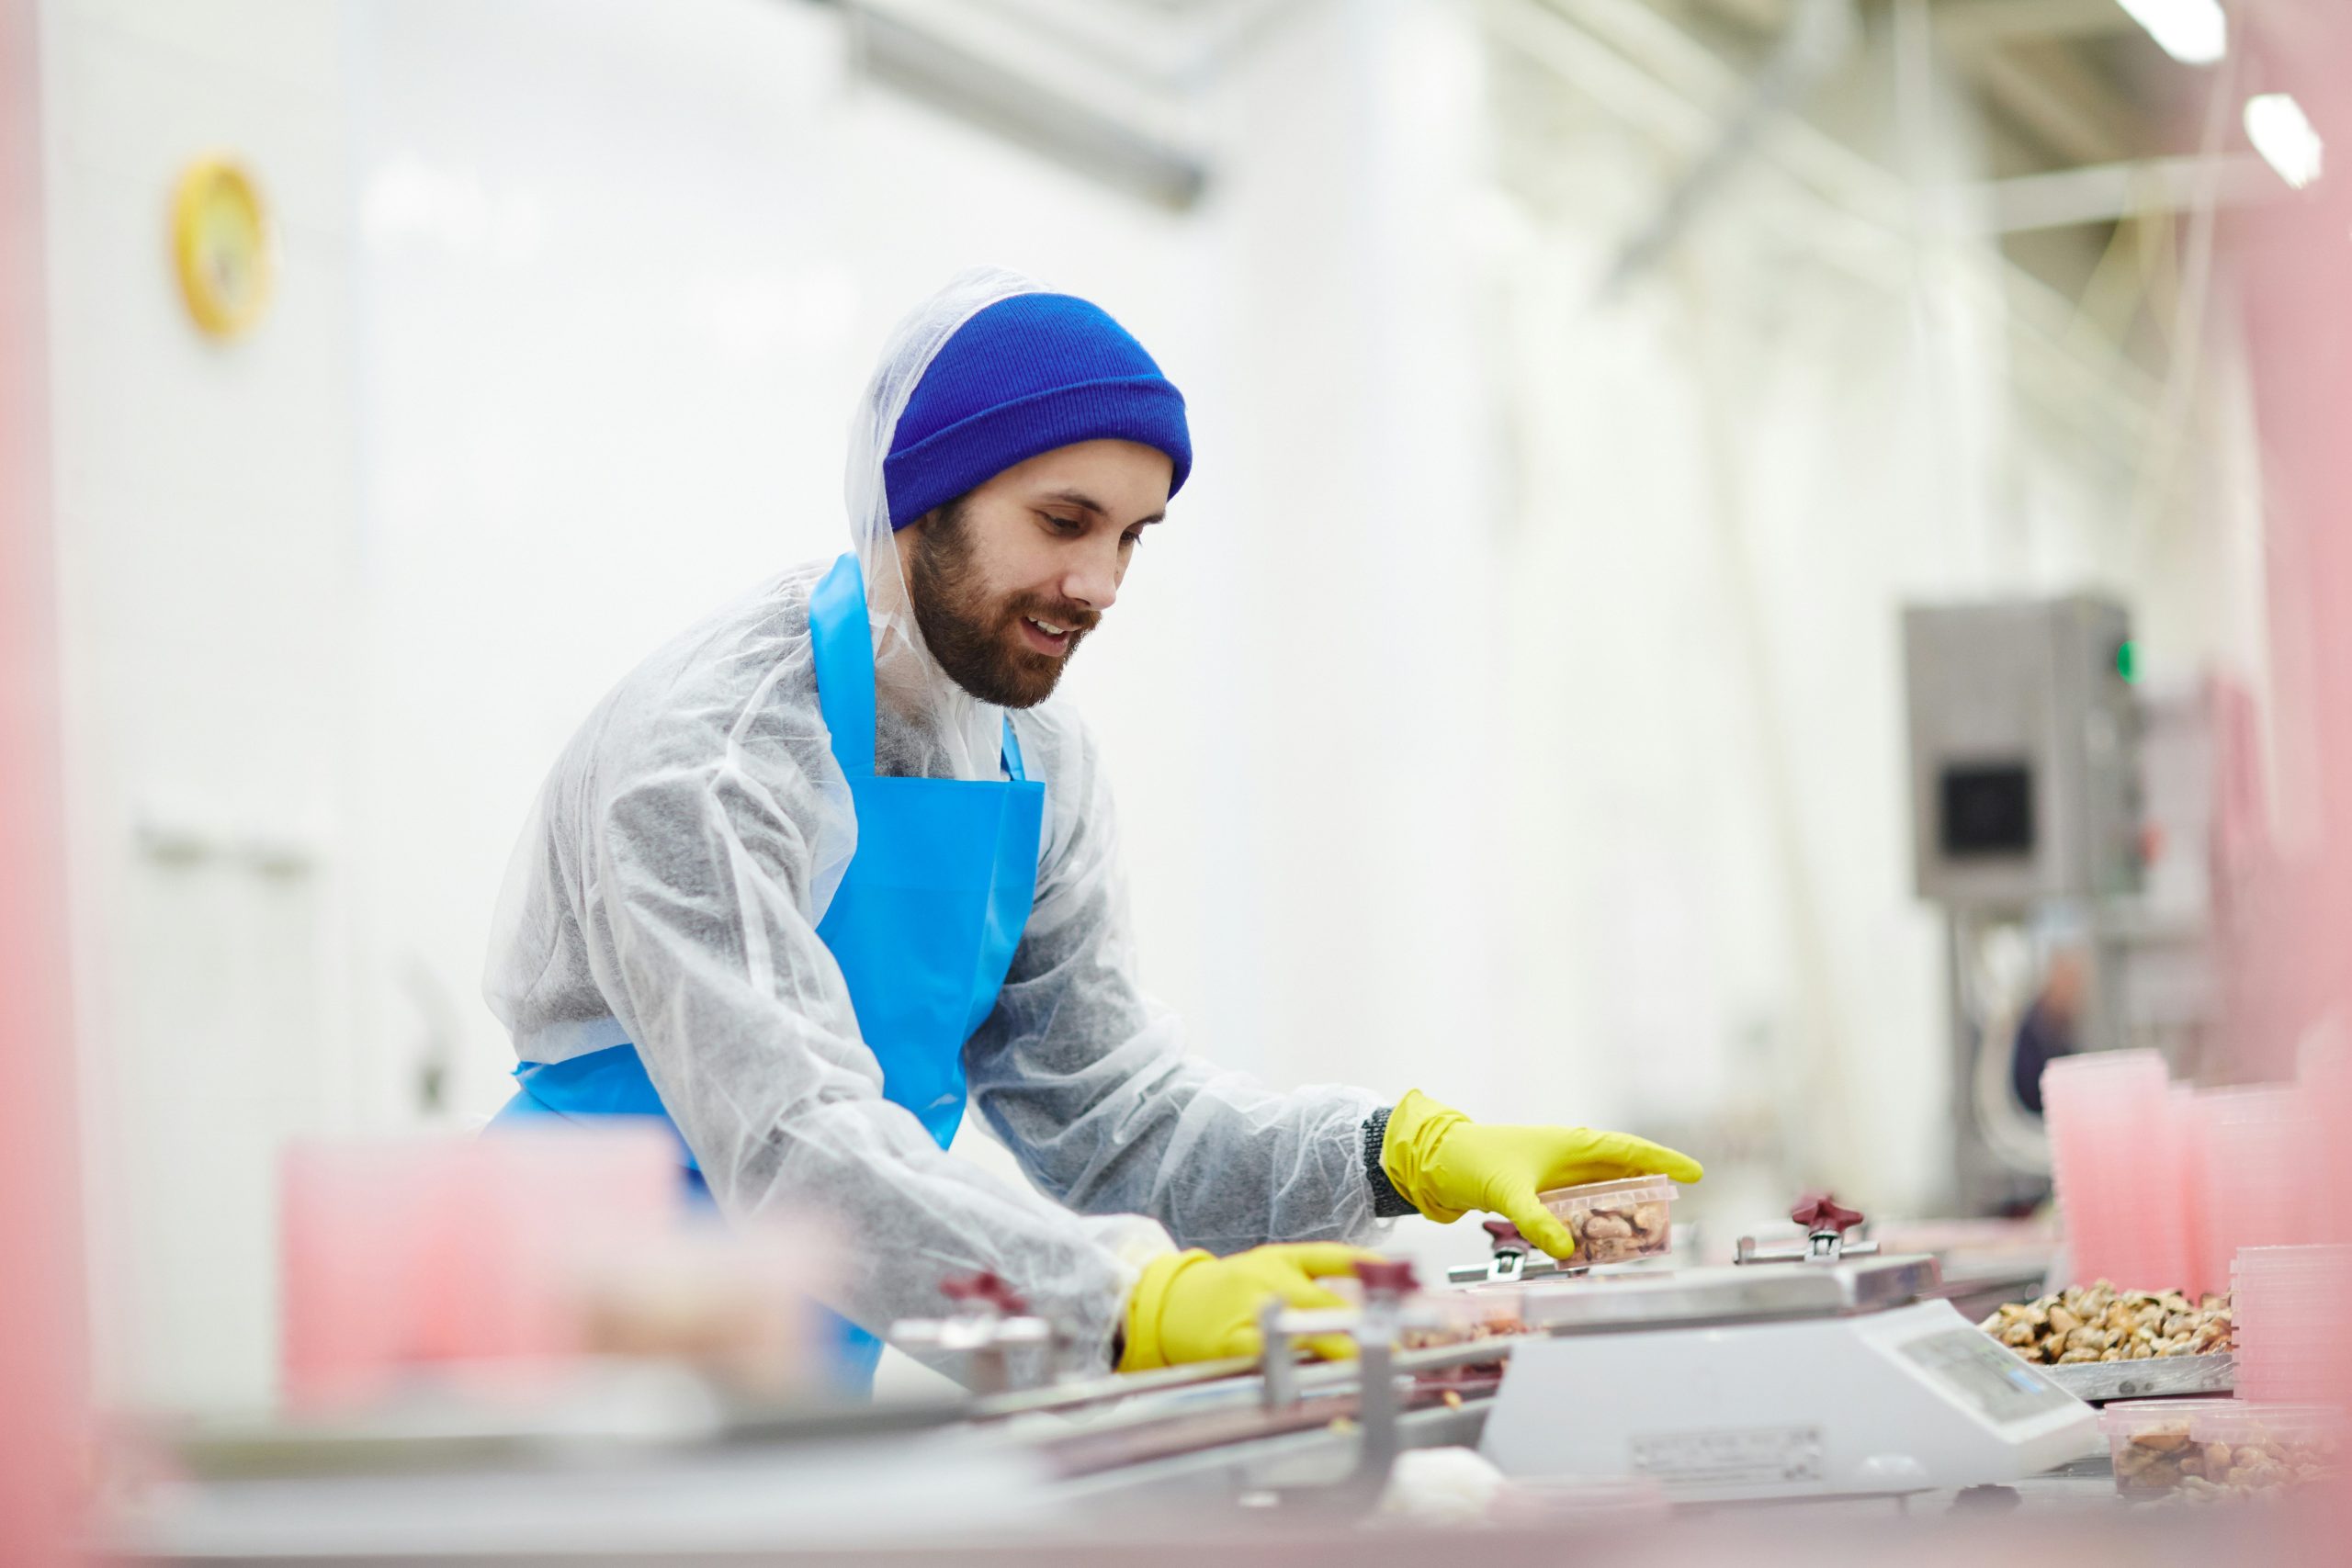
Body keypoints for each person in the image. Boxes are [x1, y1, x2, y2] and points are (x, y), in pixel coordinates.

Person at [484, 268, 1702, 1391]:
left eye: (1131, 537)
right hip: (567, 1350)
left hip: (803, 1351)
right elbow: (790, 1142)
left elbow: (1122, 1123)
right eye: (1065, 522)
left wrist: (1401, 1152)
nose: (1102, 585)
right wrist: (1125, 1302)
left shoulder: (1035, 763)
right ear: (924, 498)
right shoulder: (715, 754)